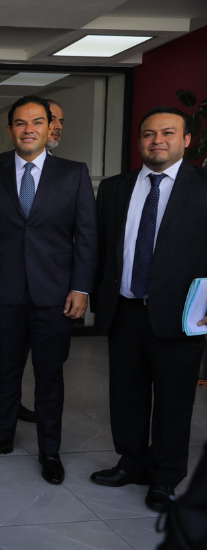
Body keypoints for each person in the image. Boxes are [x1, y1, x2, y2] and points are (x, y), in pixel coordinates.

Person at [0, 96, 97, 485]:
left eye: (37, 122)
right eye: (21, 123)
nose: (29, 129)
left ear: (49, 128)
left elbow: (88, 237)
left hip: (56, 295)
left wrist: (81, 288)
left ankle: (50, 450)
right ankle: (1, 438)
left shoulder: (74, 173)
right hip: (3, 293)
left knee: (49, 376)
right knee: (6, 371)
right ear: (10, 130)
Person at [90, 106, 207, 512]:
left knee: (175, 400)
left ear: (186, 140)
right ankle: (132, 462)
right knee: (127, 394)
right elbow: (101, 250)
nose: (157, 140)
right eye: (149, 134)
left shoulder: (203, 185)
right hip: (125, 309)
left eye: (168, 132)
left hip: (182, 314)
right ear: (139, 141)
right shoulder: (115, 188)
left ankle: (165, 477)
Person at [0, 99, 67, 426]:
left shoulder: (67, 172)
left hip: (44, 286)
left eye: (54, 121)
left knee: (28, 357)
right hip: (6, 285)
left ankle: (12, 404)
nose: (55, 126)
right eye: (25, 122)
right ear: (13, 129)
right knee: (2, 351)